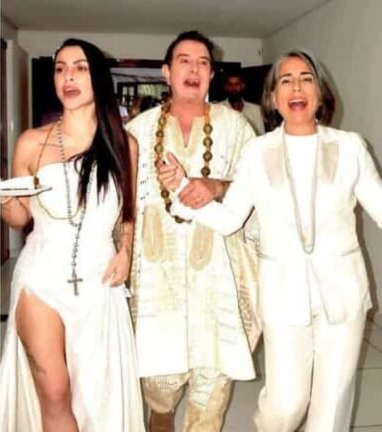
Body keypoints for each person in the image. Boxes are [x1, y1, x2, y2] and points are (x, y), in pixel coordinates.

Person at [165, 49, 380, 432]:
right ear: (273, 98)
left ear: (320, 93)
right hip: (283, 295)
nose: (297, 88)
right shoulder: (257, 152)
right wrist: (183, 189)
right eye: (286, 81)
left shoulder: (350, 147)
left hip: (342, 292)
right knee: (285, 405)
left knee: (332, 408)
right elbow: (230, 219)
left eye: (306, 79)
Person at [0, 38, 144, 431]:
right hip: (40, 279)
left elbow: (127, 211)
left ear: (98, 78)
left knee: (93, 394)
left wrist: (126, 251)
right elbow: (18, 217)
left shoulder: (124, 145)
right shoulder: (31, 142)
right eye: (60, 68)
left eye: (80, 68)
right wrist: (5, 201)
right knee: (55, 393)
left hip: (98, 280)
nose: (68, 77)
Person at [125, 30, 260, 432]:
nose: (194, 69)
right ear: (166, 72)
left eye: (203, 62)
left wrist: (216, 186)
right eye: (184, 60)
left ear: (212, 75)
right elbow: (121, 200)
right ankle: (160, 415)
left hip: (218, 268)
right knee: (158, 380)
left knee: (213, 380)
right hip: (155, 271)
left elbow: (257, 189)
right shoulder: (138, 130)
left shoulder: (236, 127)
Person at [218, 71, 266, 135]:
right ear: (226, 87)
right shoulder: (219, 109)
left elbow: (261, 136)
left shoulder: (256, 110)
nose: (234, 88)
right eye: (230, 85)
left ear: (243, 86)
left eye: (237, 84)